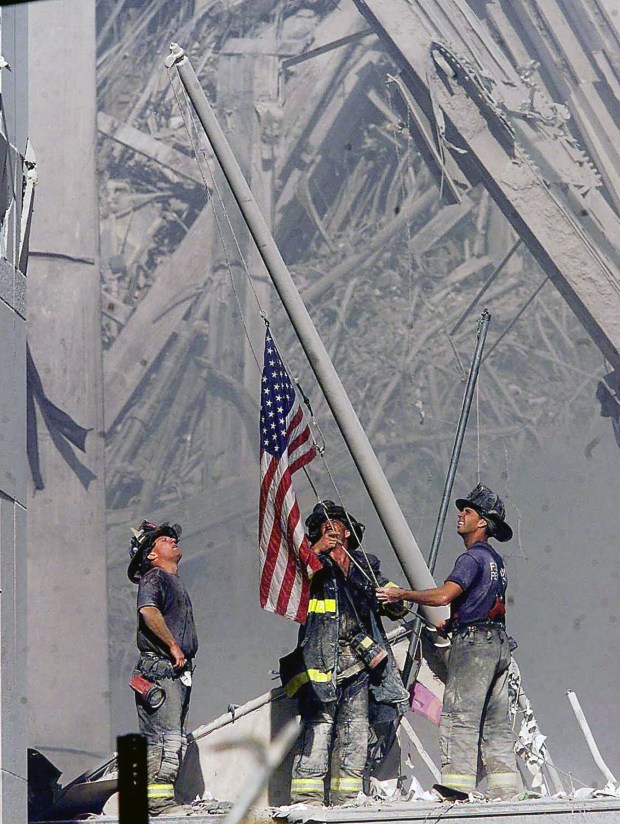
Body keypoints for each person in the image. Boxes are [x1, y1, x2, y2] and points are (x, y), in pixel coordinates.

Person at [377, 483, 521, 801]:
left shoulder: (471, 558)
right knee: (495, 720)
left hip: (474, 647)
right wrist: (454, 622)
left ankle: (457, 786)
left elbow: (444, 595)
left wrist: (400, 593)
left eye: (467, 511)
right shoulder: (495, 561)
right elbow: (485, 601)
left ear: (482, 522)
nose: (460, 515)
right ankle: (507, 790)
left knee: (460, 715)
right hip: (497, 644)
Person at [280, 501, 409, 807]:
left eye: (335, 522)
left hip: (360, 662)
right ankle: (307, 798)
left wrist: (394, 600)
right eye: (323, 525)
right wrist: (316, 551)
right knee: (318, 728)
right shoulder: (309, 564)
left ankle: (346, 798)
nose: (329, 526)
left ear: (348, 532)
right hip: (319, 660)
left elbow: (396, 604)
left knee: (355, 731)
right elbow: (291, 585)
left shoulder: (366, 566)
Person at [127, 520, 198, 816]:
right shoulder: (154, 576)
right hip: (161, 669)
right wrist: (172, 644)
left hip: (175, 672)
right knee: (164, 739)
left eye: (171, 537)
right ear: (151, 555)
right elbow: (148, 611)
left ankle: (162, 799)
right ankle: (156, 802)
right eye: (164, 539)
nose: (172, 540)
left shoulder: (173, 581)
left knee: (174, 737)